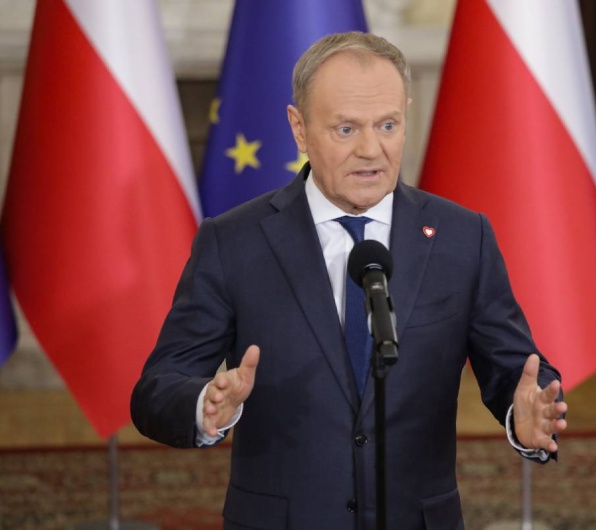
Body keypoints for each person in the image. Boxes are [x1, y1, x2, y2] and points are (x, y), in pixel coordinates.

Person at [131, 31, 567, 530]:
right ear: (299, 128)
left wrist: (526, 411)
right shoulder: (234, 242)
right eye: (345, 129)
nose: (370, 149)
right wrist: (204, 404)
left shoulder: (462, 237)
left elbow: (516, 370)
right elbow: (157, 389)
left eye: (387, 125)